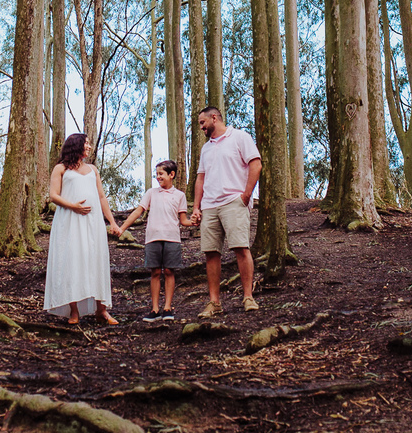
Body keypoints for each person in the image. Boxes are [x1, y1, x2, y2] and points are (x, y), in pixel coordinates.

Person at [190, 107, 261, 317]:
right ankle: (214, 302)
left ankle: (248, 297)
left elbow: (255, 165)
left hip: (234, 201)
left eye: (202, 123)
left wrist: (246, 195)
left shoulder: (240, 137)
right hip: (210, 205)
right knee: (211, 252)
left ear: (214, 118)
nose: (201, 127)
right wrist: (196, 206)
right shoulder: (206, 148)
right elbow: (201, 178)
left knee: (241, 247)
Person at [44, 133, 122, 325]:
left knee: (95, 259)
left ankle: (101, 310)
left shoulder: (93, 169)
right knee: (72, 261)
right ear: (76, 145)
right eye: (86, 143)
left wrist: (112, 222)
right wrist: (73, 206)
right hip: (69, 221)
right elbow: (53, 195)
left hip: (93, 223)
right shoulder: (61, 168)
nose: (89, 146)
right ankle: (74, 312)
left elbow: (102, 197)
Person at [120, 160, 194, 322]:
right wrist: (122, 228)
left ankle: (167, 308)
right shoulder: (151, 193)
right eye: (157, 173)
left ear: (171, 174)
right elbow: (138, 211)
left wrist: (194, 221)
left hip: (172, 238)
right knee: (154, 272)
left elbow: (183, 220)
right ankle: (154, 309)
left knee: (169, 271)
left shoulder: (179, 195)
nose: (158, 177)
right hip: (153, 238)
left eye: (161, 174)